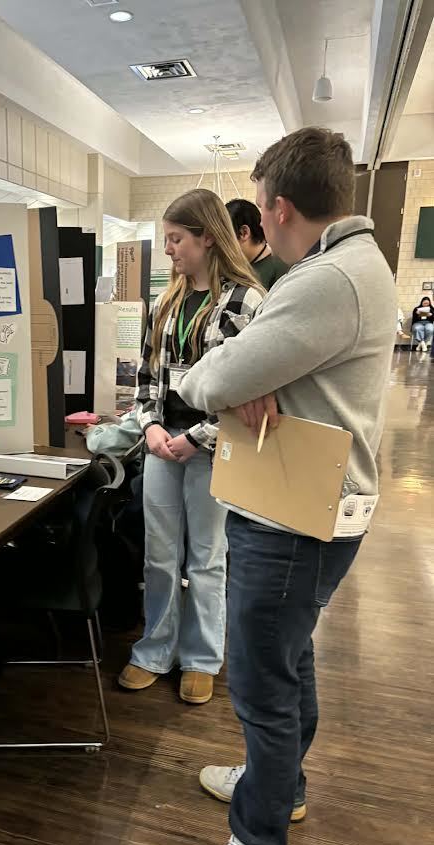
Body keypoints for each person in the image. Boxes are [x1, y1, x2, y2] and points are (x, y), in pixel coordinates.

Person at [179, 128, 396, 845]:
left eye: (259, 210)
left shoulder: (325, 280)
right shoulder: (353, 266)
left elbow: (206, 378)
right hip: (310, 506)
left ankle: (257, 839)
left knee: (262, 684)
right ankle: (281, 784)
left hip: (290, 517)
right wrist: (241, 379)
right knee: (288, 657)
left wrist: (229, 380)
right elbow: (236, 374)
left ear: (274, 208)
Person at [119, 188, 264, 706]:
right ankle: (154, 650)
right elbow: (145, 376)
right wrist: (151, 427)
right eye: (167, 240)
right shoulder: (166, 300)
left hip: (211, 448)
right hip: (162, 444)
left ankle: (202, 657)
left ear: (207, 237)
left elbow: (247, 388)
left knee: (206, 558)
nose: (169, 250)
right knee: (160, 556)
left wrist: (194, 438)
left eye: (176, 239)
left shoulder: (247, 301)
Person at [226, 198, 288, 290]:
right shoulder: (234, 269)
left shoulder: (281, 269)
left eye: (225, 237)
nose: (221, 244)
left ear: (244, 233)